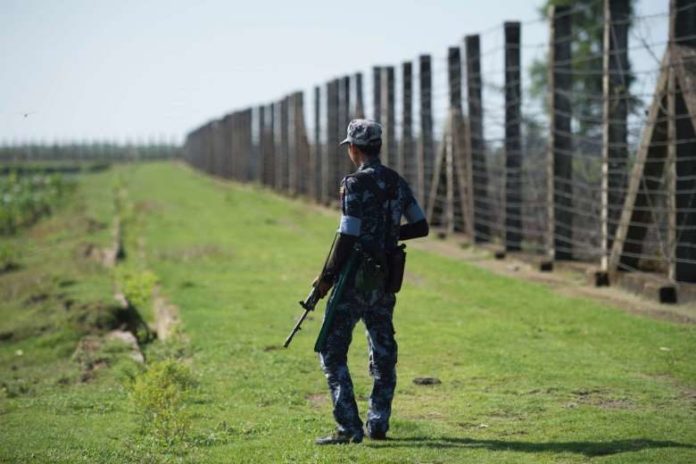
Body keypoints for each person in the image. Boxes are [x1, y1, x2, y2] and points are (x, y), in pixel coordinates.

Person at [313, 119, 429, 445]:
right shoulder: (396, 182)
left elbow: (347, 235)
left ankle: (349, 427)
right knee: (383, 350)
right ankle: (378, 422)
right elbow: (421, 226)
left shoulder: (353, 184)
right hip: (384, 279)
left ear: (354, 148)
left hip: (353, 279)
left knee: (331, 351)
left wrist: (326, 279)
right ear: (378, 146)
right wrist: (388, 235)